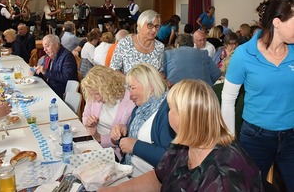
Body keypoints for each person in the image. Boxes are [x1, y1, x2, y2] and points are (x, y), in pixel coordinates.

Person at [98, 80, 264, 192]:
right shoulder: (183, 145)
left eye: (170, 108)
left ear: (187, 116)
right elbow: (157, 178)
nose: (167, 113)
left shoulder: (225, 175)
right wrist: (114, 190)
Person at [221, 0, 294, 191]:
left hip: (291, 137)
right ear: (277, 22)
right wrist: (229, 143)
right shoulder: (244, 54)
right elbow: (228, 100)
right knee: (249, 187)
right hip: (256, 138)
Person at [110, 63, 175, 177]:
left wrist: (136, 146)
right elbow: (133, 140)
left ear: (150, 86)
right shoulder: (142, 108)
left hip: (150, 181)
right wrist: (121, 133)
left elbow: (171, 160)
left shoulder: (167, 111)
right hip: (130, 172)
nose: (130, 95)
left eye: (132, 88)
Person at [81, 65, 135, 160]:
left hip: (112, 150)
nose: (96, 98)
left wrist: (99, 138)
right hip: (92, 142)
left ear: (108, 88)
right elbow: (85, 116)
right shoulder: (93, 95)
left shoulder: (129, 102)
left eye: (98, 93)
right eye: (93, 94)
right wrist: (89, 123)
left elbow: (124, 137)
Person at [110, 10, 164, 74]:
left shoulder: (160, 47)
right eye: (150, 25)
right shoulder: (125, 44)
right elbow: (114, 70)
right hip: (128, 83)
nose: (154, 30)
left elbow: (160, 72)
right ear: (140, 25)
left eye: (157, 26)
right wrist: (133, 82)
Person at [34, 34, 78, 99]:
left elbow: (67, 78)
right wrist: (36, 72)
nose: (44, 50)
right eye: (43, 47)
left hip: (60, 92)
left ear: (56, 45)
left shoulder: (67, 57)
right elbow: (43, 71)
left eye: (47, 46)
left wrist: (46, 72)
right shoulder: (49, 55)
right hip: (49, 87)